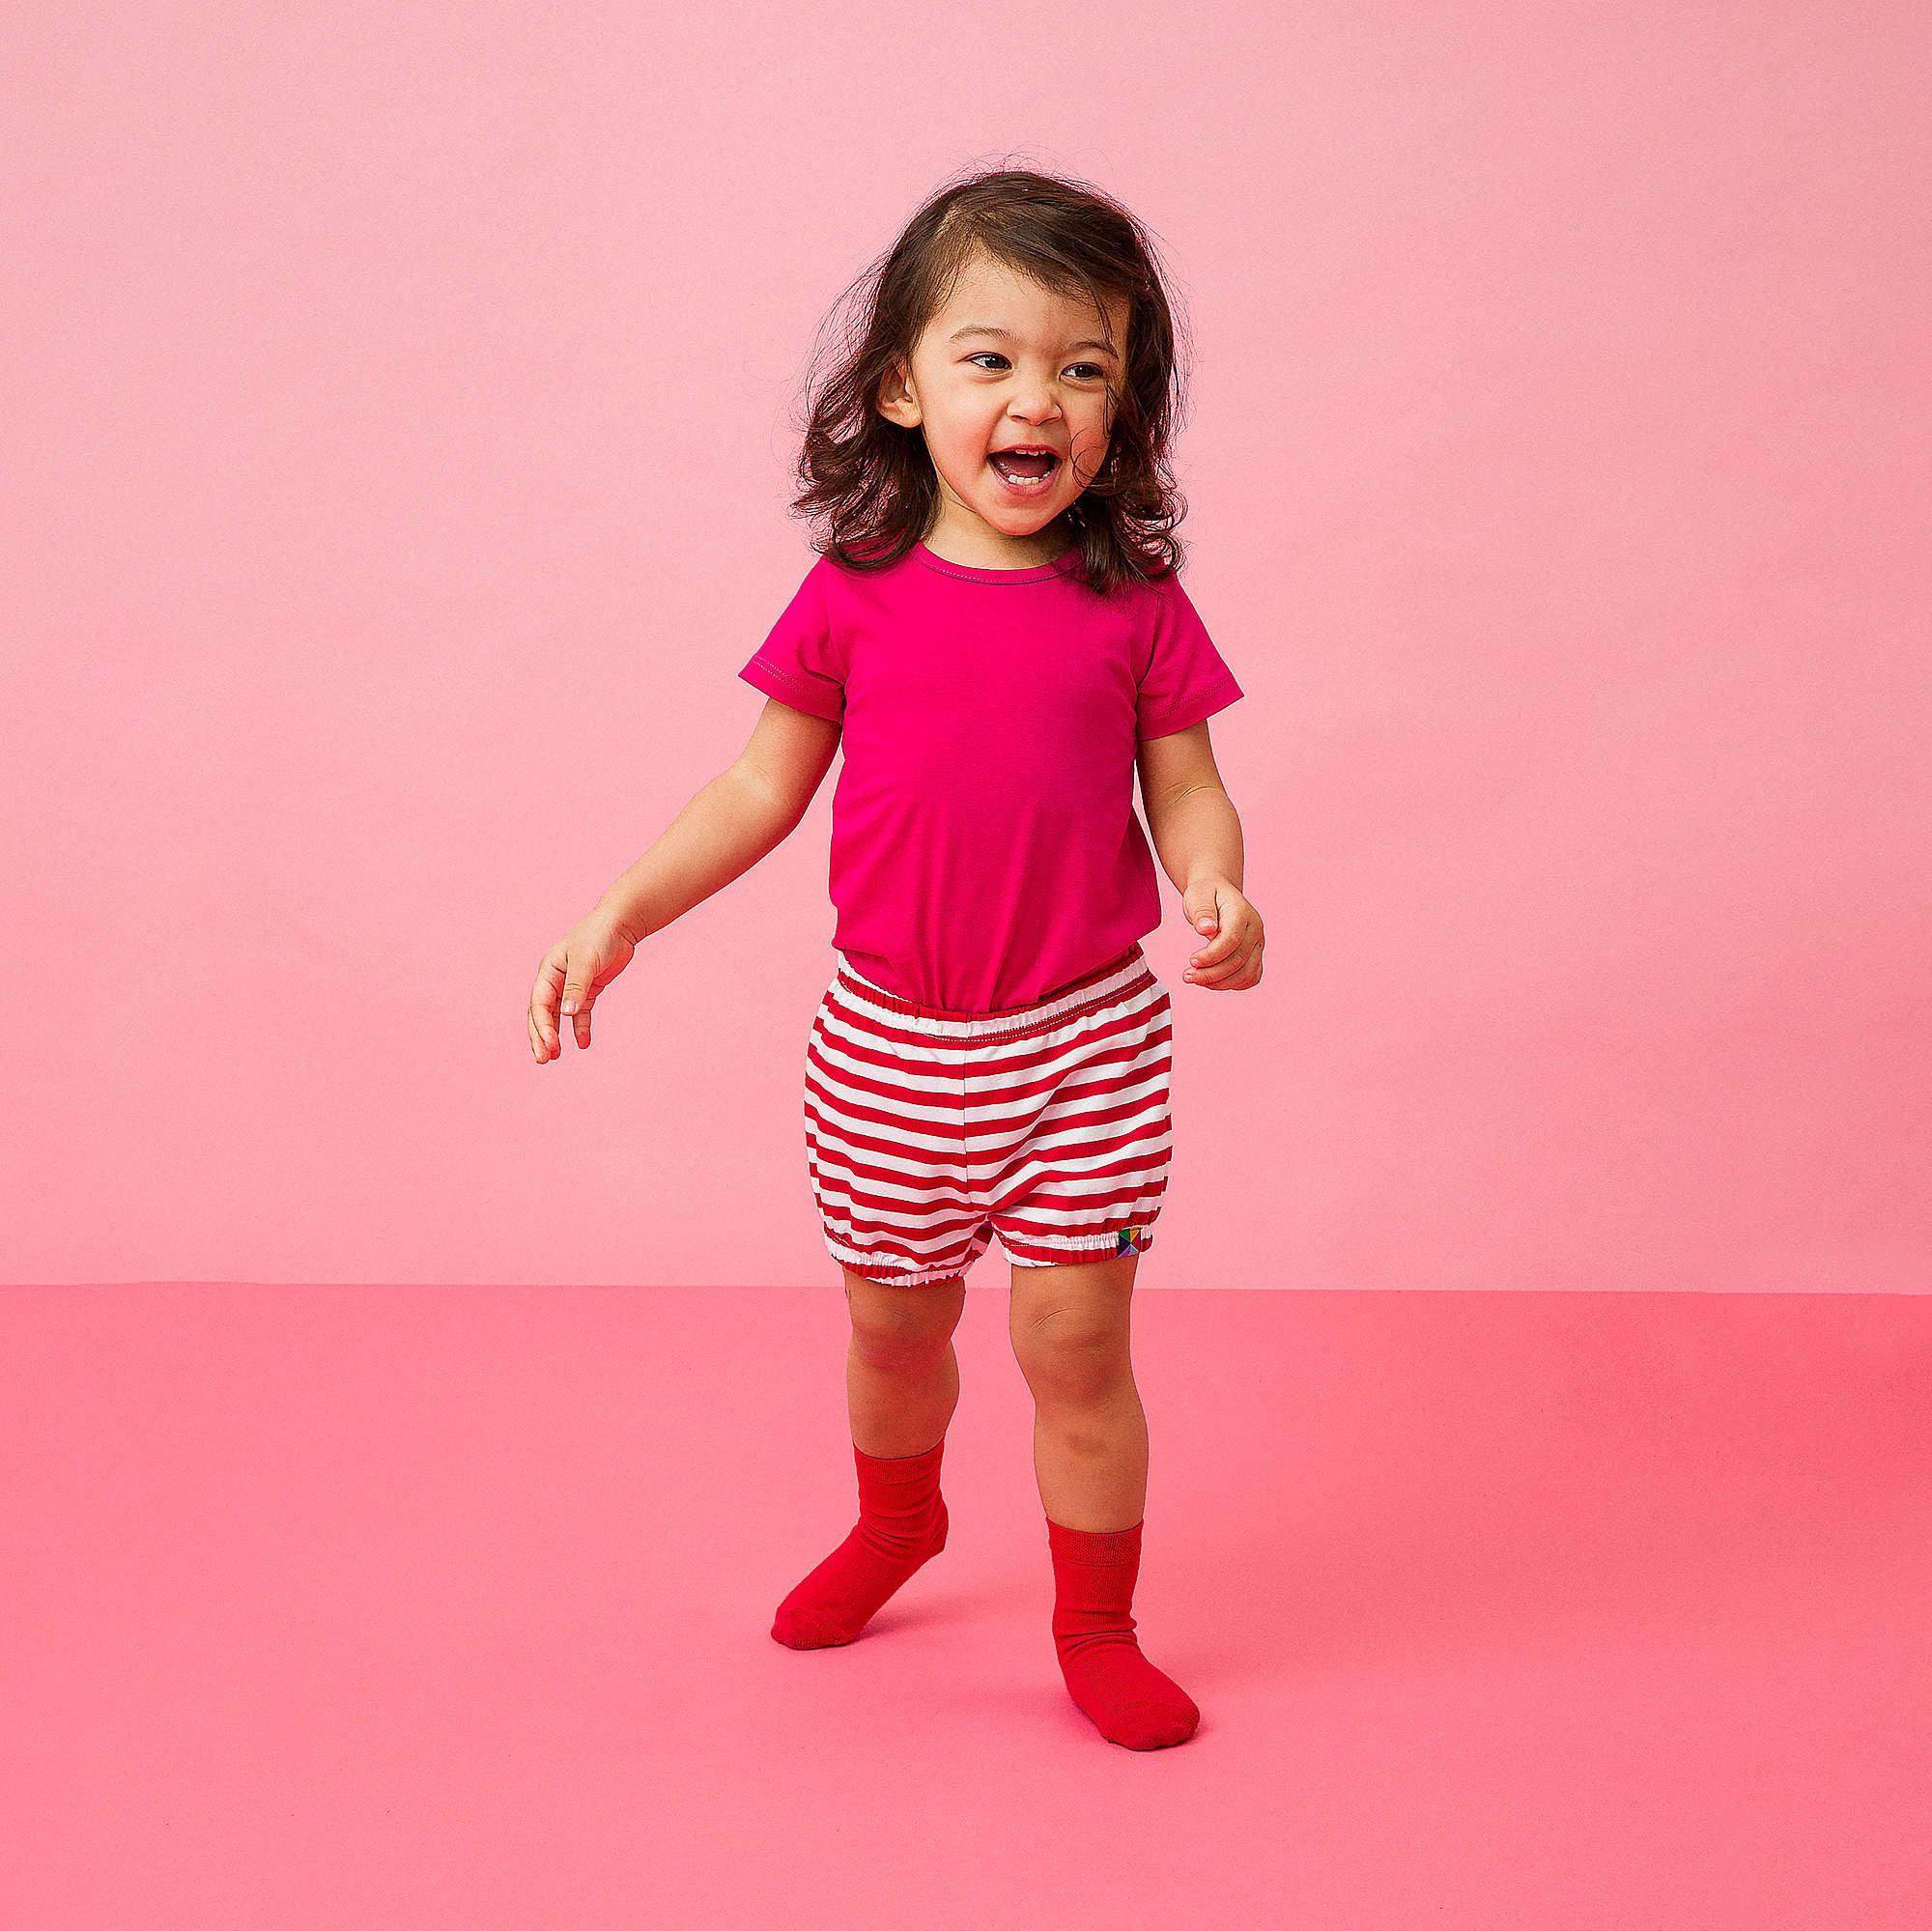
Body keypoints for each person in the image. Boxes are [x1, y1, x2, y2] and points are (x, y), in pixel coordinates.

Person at [526, 167, 1264, 1750]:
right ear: (900, 387)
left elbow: (1189, 789)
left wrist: (1219, 891)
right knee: (894, 1329)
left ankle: (1096, 1621)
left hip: (1086, 1044)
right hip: (889, 1052)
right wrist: (623, 911)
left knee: (1073, 1343)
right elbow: (756, 788)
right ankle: (900, 1519)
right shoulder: (855, 595)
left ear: (1123, 410)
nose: (1038, 399)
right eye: (991, 358)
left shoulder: (1131, 601)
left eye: (1086, 367)